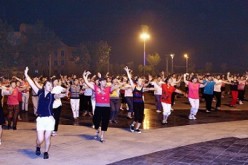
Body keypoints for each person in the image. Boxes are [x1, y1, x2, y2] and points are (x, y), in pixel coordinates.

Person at [24, 67, 67, 159]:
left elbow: (57, 95)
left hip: (50, 119)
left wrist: (63, 94)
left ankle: (46, 152)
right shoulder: (39, 92)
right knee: (40, 139)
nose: (50, 87)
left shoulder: (52, 96)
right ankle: (38, 146)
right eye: (48, 85)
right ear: (44, 86)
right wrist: (26, 74)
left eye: (51, 86)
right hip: (40, 119)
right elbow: (31, 83)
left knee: (47, 138)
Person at [82, 71, 117, 142]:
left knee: (105, 121)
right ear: (100, 82)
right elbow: (87, 83)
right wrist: (84, 76)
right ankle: (98, 130)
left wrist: (117, 82)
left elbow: (117, 86)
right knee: (95, 121)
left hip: (106, 108)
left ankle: (102, 136)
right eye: (104, 82)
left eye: (105, 82)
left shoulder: (108, 89)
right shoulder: (96, 88)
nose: (105, 83)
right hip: (98, 107)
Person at [124, 66, 152, 133]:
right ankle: (132, 125)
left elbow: (149, 88)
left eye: (141, 80)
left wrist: (150, 82)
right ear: (137, 82)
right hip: (135, 104)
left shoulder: (142, 88)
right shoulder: (134, 87)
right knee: (136, 116)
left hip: (141, 103)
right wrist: (127, 71)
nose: (141, 81)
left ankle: (137, 128)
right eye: (139, 80)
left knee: (141, 116)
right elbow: (130, 79)